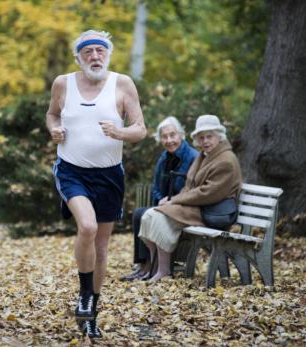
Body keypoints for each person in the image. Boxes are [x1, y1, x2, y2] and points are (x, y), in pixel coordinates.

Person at [46, 29, 146, 338]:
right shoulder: (63, 83)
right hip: (71, 170)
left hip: (109, 174)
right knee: (87, 227)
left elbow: (141, 129)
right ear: (78, 57)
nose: (94, 56)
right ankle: (84, 295)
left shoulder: (123, 84)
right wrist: (55, 130)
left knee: (101, 247)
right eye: (87, 51)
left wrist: (120, 133)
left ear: (108, 55)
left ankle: (91, 309)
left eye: (100, 51)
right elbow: (51, 115)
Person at [138, 114, 242, 282]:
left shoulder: (226, 160)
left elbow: (207, 193)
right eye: (201, 138)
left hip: (212, 211)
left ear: (219, 136)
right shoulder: (204, 155)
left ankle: (163, 270)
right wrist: (174, 200)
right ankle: (157, 267)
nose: (205, 141)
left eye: (209, 136)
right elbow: (189, 185)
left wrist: (175, 201)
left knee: (158, 217)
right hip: (198, 206)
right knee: (148, 216)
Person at [120, 116, 198, 281]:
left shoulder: (192, 157)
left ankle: (152, 266)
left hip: (183, 207)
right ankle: (144, 264)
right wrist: (161, 198)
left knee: (144, 214)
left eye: (172, 135)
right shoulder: (163, 159)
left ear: (181, 135)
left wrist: (172, 199)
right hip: (165, 205)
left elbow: (193, 189)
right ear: (160, 139)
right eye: (164, 136)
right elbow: (155, 187)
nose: (169, 140)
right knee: (139, 213)